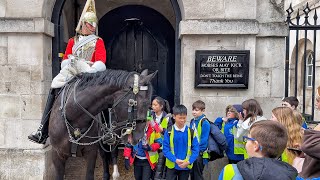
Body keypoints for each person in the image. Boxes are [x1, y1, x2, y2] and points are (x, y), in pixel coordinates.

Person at [28, 0, 106, 144]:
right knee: (54, 86)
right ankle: (42, 130)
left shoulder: (98, 41)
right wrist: (70, 62)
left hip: (90, 73)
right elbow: (65, 59)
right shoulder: (72, 41)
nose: (93, 27)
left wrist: (90, 69)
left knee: (105, 94)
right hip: (72, 71)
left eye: (94, 25)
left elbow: (101, 61)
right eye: (90, 24)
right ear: (83, 24)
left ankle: (107, 130)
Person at [218, 120, 298, 180]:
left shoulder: (230, 171)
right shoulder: (291, 175)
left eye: (248, 139)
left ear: (255, 146)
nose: (245, 142)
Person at [163, 105, 199, 180]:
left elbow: (196, 150)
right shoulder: (169, 131)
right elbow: (165, 149)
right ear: (174, 116)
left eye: (184, 118)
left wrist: (188, 162)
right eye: (180, 118)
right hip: (172, 165)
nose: (182, 120)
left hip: (185, 167)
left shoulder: (191, 132)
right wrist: (175, 160)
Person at [150, 97, 174, 180]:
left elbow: (171, 133)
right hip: (151, 147)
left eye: (155, 105)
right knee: (151, 170)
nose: (153, 106)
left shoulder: (167, 117)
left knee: (160, 171)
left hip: (162, 148)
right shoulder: (150, 115)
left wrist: (162, 130)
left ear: (161, 106)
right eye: (152, 104)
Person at [189, 100, 210, 180]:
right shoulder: (192, 121)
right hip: (192, 152)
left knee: (198, 175)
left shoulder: (205, 122)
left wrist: (197, 151)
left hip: (200, 153)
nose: (194, 112)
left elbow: (204, 140)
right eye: (193, 109)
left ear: (203, 110)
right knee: (192, 174)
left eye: (196, 110)